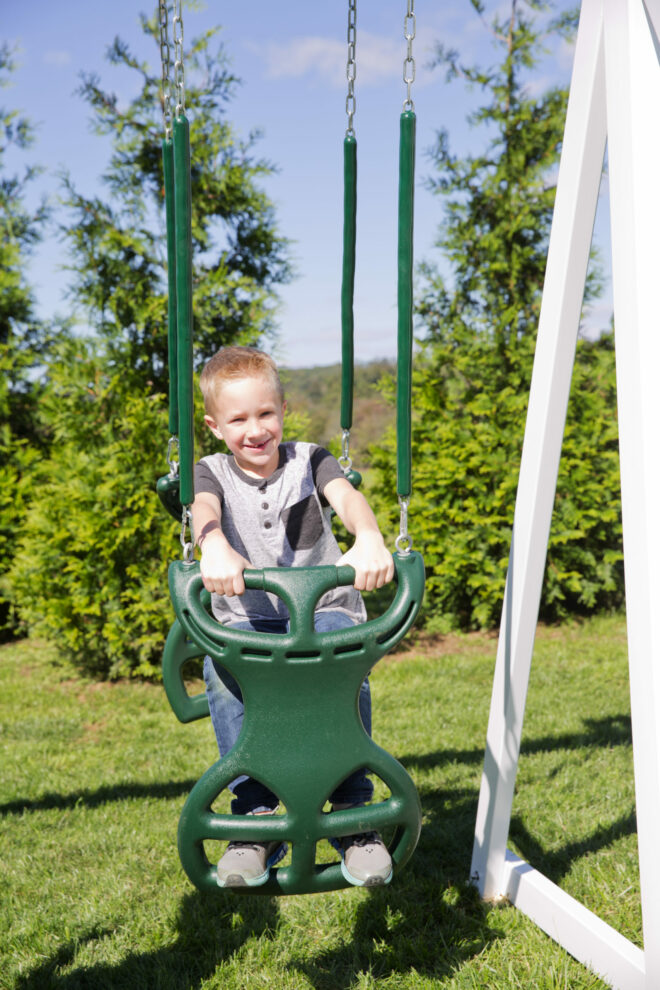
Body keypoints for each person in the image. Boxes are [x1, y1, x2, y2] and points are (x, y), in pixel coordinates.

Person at [192, 345, 395, 889]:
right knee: (224, 672)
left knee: (341, 670)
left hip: (324, 609)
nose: (255, 430)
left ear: (283, 409)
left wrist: (370, 536)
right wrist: (212, 547)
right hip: (247, 621)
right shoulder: (209, 472)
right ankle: (256, 819)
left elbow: (346, 497)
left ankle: (355, 815)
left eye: (265, 414)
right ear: (215, 426)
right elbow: (203, 513)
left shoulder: (311, 458)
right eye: (238, 419)